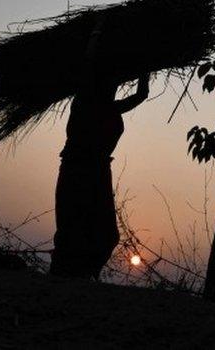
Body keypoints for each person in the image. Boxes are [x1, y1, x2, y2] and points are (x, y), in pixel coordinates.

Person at [50, 15, 150, 278]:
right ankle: (66, 280)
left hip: (98, 171)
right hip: (76, 168)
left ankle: (83, 276)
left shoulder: (111, 107)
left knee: (106, 235)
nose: (113, 83)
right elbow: (89, 62)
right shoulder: (84, 99)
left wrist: (146, 65)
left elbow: (141, 95)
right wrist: (97, 31)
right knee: (70, 233)